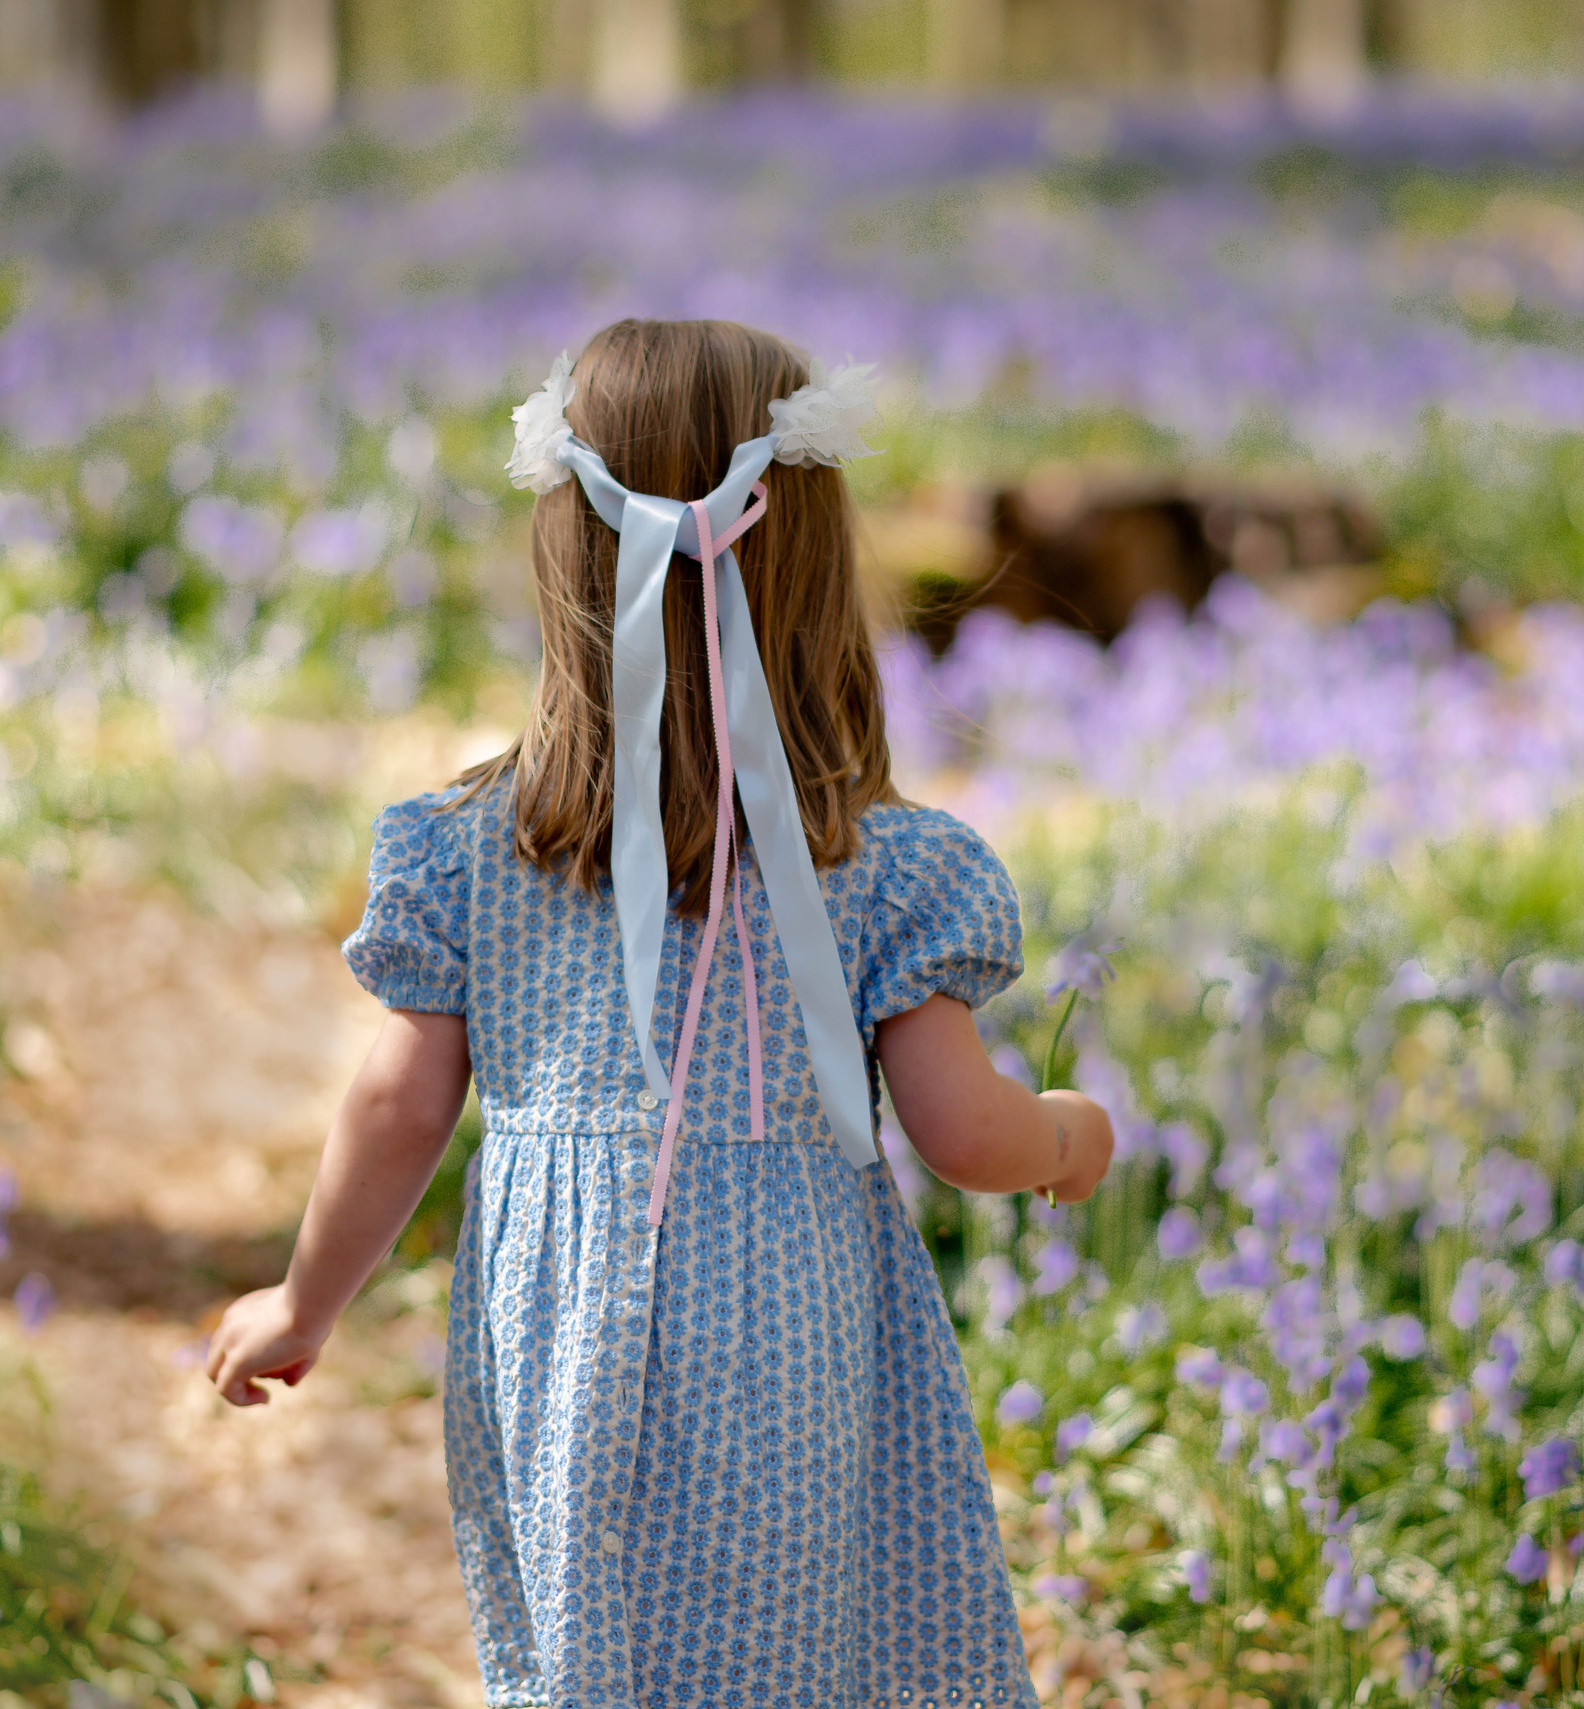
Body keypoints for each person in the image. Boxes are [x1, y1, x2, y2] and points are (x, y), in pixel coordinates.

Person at [205, 318, 1115, 1708]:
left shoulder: (468, 848)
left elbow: (396, 1104)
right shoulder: (882, 865)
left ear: (569, 554)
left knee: (588, 1654)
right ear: (815, 566)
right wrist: (1065, 1134)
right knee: (797, 1656)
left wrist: (305, 1297)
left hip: (558, 1327)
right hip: (796, 1337)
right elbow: (960, 1129)